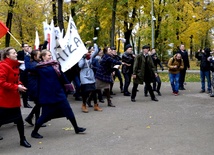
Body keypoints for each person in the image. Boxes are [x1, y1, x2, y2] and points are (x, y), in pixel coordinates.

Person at [25, 50, 86, 139]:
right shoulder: (38, 67)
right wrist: (27, 56)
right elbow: (27, 68)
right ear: (43, 57)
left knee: (68, 110)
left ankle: (76, 128)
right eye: (48, 55)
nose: (50, 56)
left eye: (51, 55)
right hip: (47, 95)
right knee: (45, 115)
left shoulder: (56, 65)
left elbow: (62, 76)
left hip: (59, 93)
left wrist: (68, 85)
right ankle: (34, 132)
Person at [0, 47, 31, 147]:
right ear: (7, 56)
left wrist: (20, 84)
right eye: (14, 53)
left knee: (19, 120)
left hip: (14, 98)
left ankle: (23, 139)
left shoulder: (14, 65)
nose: (16, 54)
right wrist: (16, 87)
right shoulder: (3, 66)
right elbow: (2, 82)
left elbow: (16, 80)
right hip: (5, 99)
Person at [24, 50, 46, 127]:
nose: (40, 56)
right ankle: (36, 120)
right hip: (34, 87)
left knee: (39, 104)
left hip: (37, 86)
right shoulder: (34, 65)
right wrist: (26, 56)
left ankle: (32, 118)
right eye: (39, 55)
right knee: (39, 103)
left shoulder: (36, 63)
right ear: (34, 56)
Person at [79, 44, 102, 113]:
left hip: (90, 74)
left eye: (89, 52)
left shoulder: (91, 57)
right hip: (84, 75)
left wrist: (94, 43)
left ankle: (96, 105)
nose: (88, 54)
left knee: (94, 90)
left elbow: (96, 50)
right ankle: (84, 104)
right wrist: (83, 58)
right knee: (86, 90)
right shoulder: (80, 58)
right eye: (87, 53)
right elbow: (80, 66)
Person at [17, 43, 32, 108]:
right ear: (23, 48)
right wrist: (23, 61)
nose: (27, 47)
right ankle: (25, 103)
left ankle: (29, 98)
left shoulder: (31, 53)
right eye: (25, 46)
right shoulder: (20, 53)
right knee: (24, 86)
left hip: (29, 72)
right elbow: (16, 60)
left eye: (28, 46)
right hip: (22, 71)